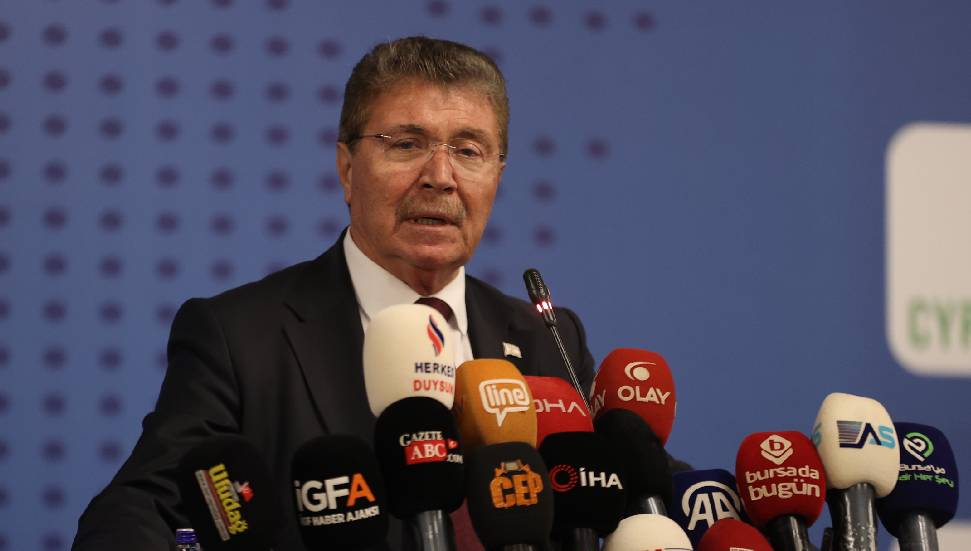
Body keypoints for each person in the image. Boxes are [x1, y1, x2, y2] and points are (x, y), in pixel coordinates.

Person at [73, 36, 596, 551]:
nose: (440, 177)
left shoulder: (548, 340)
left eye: (468, 150)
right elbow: (143, 508)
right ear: (347, 169)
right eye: (406, 144)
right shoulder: (242, 337)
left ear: (497, 175)